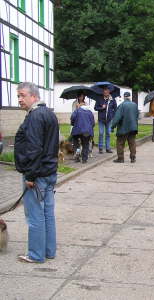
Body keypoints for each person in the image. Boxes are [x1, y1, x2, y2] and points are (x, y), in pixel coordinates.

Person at [14, 82, 59, 263]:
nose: (19, 99)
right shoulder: (49, 114)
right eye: (18, 96)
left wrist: (30, 176)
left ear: (34, 96)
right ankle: (49, 251)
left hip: (37, 174)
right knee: (47, 213)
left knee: (35, 216)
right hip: (49, 172)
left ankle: (35, 254)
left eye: (22, 95)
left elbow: (34, 149)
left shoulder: (34, 116)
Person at [111, 92, 139, 163]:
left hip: (123, 128)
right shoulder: (135, 105)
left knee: (120, 143)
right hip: (133, 128)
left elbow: (117, 117)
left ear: (124, 97)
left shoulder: (122, 105)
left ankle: (120, 158)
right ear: (130, 97)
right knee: (132, 143)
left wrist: (112, 126)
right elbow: (137, 116)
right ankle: (133, 158)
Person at [70, 94, 95, 163]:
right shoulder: (90, 112)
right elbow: (93, 123)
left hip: (77, 131)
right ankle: (84, 159)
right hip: (87, 132)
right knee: (85, 144)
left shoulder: (77, 111)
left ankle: (77, 156)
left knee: (77, 144)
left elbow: (72, 119)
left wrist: (73, 124)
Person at [94, 86, 117, 153]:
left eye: (107, 91)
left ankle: (108, 148)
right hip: (101, 119)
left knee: (108, 133)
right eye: (104, 91)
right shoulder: (99, 99)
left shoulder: (112, 99)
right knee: (101, 133)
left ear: (109, 91)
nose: (105, 92)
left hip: (109, 120)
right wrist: (102, 107)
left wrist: (113, 115)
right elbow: (95, 108)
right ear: (103, 92)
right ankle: (100, 148)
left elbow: (115, 109)